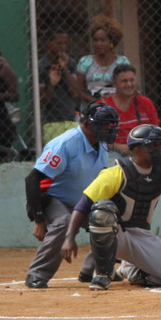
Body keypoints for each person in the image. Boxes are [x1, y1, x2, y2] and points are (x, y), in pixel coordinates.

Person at [59, 125, 161, 291]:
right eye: (154, 145)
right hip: (117, 235)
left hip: (142, 235)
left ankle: (134, 270)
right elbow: (83, 206)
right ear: (137, 149)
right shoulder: (115, 174)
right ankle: (103, 274)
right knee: (102, 211)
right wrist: (69, 238)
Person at [23, 101, 120, 289]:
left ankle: (93, 271)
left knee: (109, 218)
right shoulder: (66, 143)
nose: (108, 128)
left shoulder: (101, 144)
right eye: (103, 123)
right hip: (49, 199)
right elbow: (32, 180)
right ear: (86, 123)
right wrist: (39, 220)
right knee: (65, 221)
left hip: (81, 202)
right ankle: (37, 274)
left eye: (110, 124)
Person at [38, 27, 91, 143]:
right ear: (48, 43)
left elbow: (75, 93)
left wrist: (64, 69)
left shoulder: (70, 63)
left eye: (65, 44)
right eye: (59, 43)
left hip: (70, 119)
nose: (63, 47)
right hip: (51, 121)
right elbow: (42, 102)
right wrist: (51, 85)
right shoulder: (41, 66)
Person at [99, 63, 160, 157]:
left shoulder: (145, 103)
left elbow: (156, 132)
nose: (129, 84)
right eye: (124, 81)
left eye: (132, 80)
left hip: (142, 149)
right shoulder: (103, 106)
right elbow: (98, 139)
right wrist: (119, 147)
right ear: (114, 84)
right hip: (115, 151)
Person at [76, 14, 130, 101]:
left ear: (111, 41)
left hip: (116, 107)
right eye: (95, 40)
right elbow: (79, 90)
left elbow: (128, 86)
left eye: (102, 40)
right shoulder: (85, 62)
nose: (98, 44)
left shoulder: (122, 62)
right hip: (91, 108)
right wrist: (96, 102)